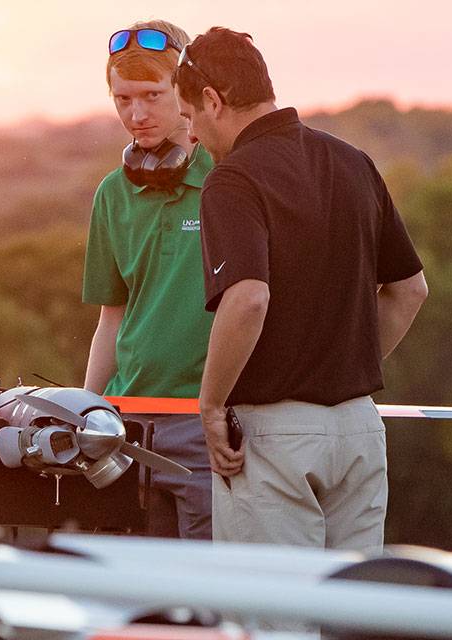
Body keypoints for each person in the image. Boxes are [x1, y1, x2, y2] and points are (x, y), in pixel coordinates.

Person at [175, 28, 429, 552]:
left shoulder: (232, 179)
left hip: (272, 439)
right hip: (360, 431)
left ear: (212, 100)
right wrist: (338, 366)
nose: (193, 135)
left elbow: (248, 297)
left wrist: (210, 406)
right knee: (350, 620)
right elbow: (410, 290)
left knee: (270, 622)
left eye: (190, 118)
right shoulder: (354, 161)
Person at [81, 19, 216, 540]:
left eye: (152, 96)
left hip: (207, 425)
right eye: (123, 99)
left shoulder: (232, 181)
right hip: (126, 427)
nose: (136, 115)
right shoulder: (111, 195)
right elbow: (111, 318)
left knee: (209, 605)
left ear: (186, 94)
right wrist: (85, 411)